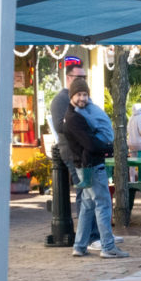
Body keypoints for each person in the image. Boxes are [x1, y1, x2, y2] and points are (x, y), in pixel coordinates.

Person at [62, 77, 128, 258]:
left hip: (83, 166)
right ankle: (108, 247)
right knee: (103, 205)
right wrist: (107, 148)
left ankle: (80, 246)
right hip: (91, 166)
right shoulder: (76, 118)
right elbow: (90, 145)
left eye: (85, 94)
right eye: (79, 94)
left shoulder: (72, 116)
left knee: (88, 206)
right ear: (72, 96)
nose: (83, 98)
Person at [50, 58, 101, 248]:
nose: (83, 80)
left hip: (86, 151)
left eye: (85, 77)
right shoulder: (61, 100)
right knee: (84, 194)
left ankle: (94, 235)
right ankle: (89, 237)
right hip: (73, 153)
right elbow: (60, 127)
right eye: (79, 77)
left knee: (90, 193)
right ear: (68, 77)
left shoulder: (83, 97)